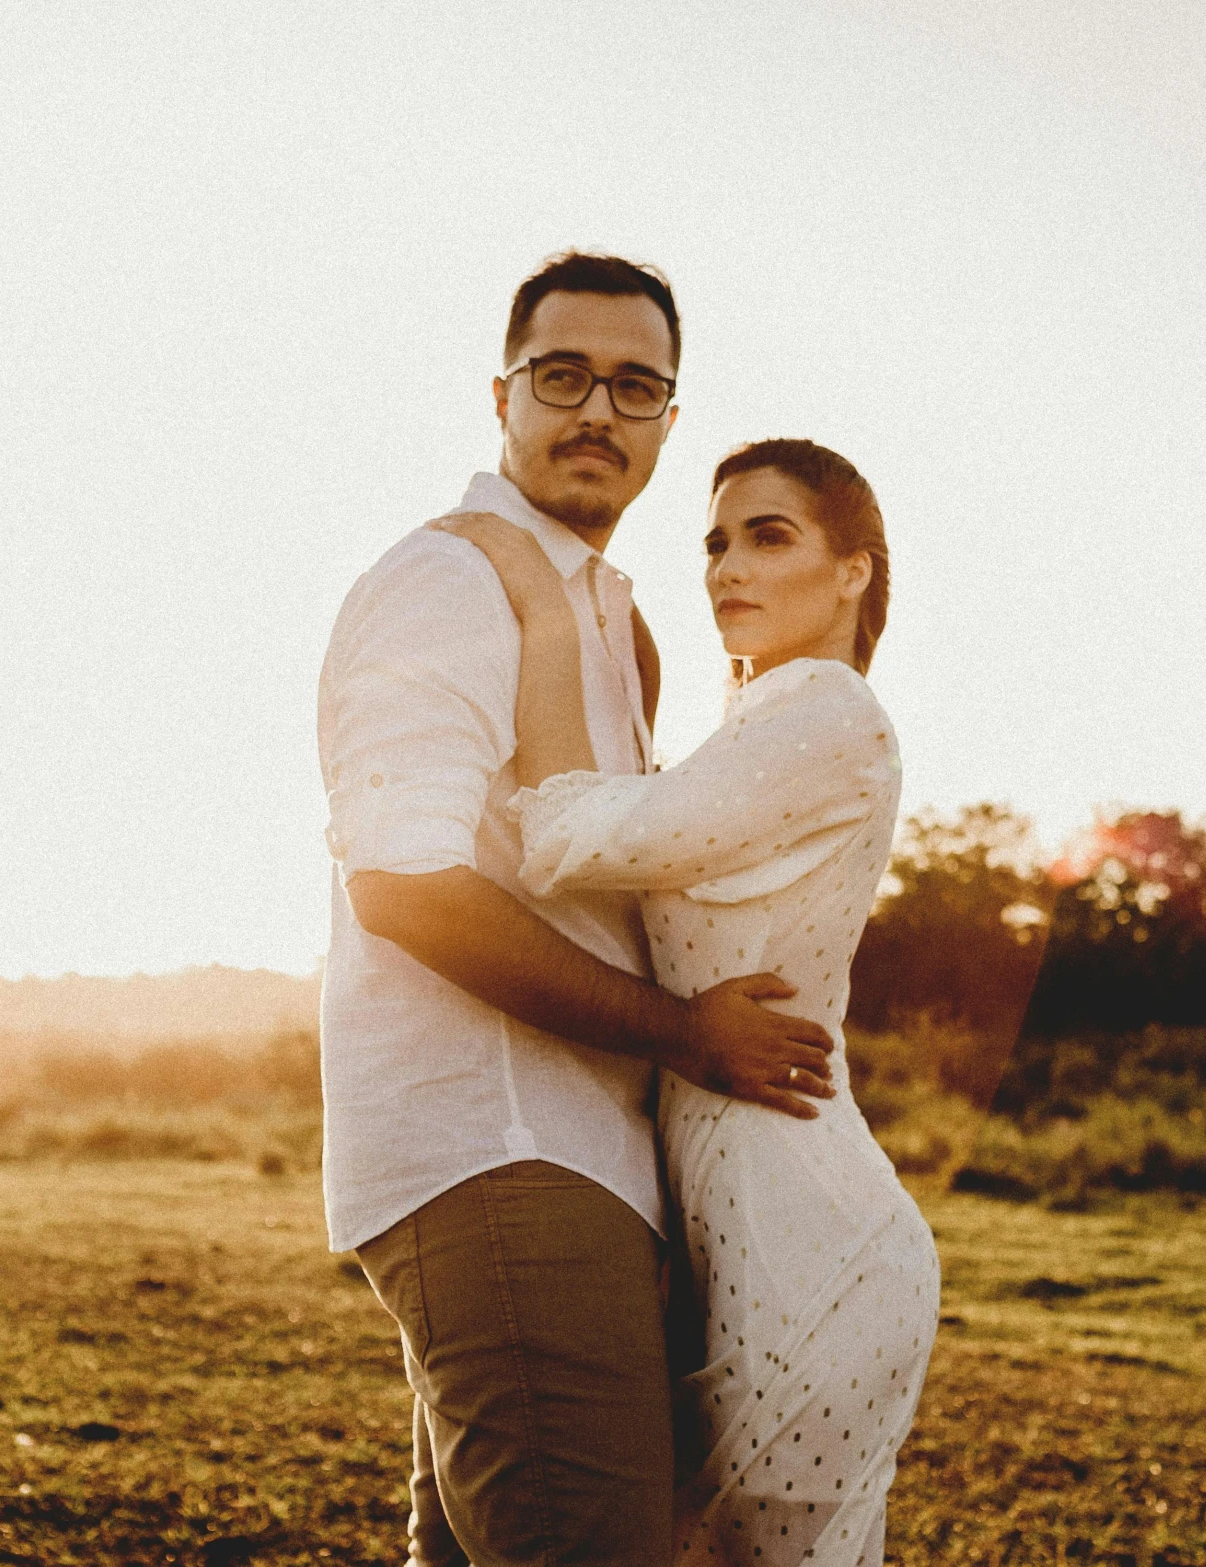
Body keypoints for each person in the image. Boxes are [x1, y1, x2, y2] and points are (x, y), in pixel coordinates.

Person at [316, 253, 840, 1567]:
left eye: (634, 384)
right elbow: (404, 884)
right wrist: (680, 1027)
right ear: (501, 394)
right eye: (562, 376)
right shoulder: (447, 582)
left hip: (580, 1164)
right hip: (500, 1150)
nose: (596, 411)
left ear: (670, 418)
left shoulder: (609, 619)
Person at [437, 438, 938, 1566]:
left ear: (854, 570)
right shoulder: (760, 726)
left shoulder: (830, 708)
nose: (725, 567)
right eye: (714, 542)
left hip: (804, 1231)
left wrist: (537, 596)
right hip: (728, 1216)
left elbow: (571, 830)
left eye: (768, 536)